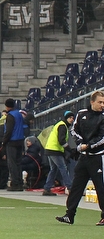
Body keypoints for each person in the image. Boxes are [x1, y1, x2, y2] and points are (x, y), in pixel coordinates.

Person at [58, 91, 104, 225]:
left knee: (101, 187)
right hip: (84, 157)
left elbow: (102, 138)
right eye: (100, 102)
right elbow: (74, 130)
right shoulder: (81, 113)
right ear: (92, 102)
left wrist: (88, 146)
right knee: (76, 186)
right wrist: (80, 144)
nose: (102, 105)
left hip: (98, 156)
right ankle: (69, 214)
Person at [43, 110, 75, 196]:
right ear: (66, 118)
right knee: (63, 168)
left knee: (53, 170)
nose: (72, 119)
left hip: (50, 149)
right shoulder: (62, 126)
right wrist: (69, 150)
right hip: (55, 150)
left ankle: (47, 188)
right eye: (70, 118)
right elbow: (61, 141)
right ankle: (70, 187)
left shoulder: (60, 124)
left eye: (73, 118)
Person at [3, 98, 27, 191]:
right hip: (20, 140)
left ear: (6, 106)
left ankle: (15, 183)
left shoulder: (10, 116)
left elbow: (9, 130)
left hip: (12, 141)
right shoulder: (19, 114)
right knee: (18, 163)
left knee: (12, 163)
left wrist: (4, 142)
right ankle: (20, 183)